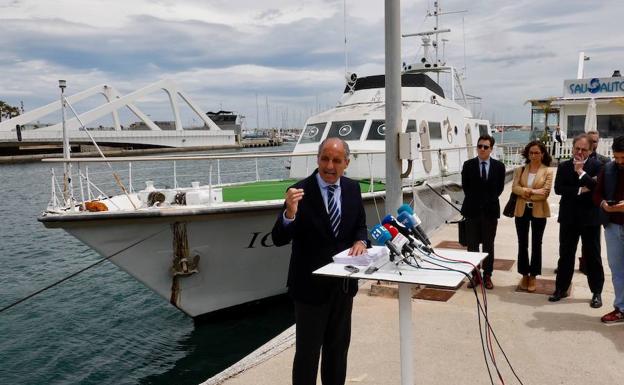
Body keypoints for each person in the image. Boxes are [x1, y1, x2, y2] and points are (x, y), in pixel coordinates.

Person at [272, 137, 367, 385]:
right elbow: (278, 238)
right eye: (325, 158)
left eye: (336, 160)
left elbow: (360, 226)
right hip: (309, 290)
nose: (329, 166)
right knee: (307, 356)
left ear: (346, 163)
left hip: (343, 288)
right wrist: (289, 214)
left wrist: (361, 242)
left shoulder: (352, 189)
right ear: (317, 159)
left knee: (337, 353)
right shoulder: (299, 192)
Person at [549, 134, 604, 308]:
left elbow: (597, 188)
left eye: (584, 149)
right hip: (569, 217)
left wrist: (581, 172)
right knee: (565, 254)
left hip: (590, 218)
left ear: (591, 150)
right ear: (572, 147)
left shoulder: (598, 166)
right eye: (577, 148)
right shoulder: (564, 166)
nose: (579, 152)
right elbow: (558, 189)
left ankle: (596, 292)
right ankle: (560, 289)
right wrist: (581, 190)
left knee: (593, 256)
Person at [461, 134, 506, 289]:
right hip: (472, 211)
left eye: (485, 147)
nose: (482, 149)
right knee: (472, 246)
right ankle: (475, 275)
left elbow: (499, 188)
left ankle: (487, 275)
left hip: (490, 211)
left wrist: (485, 202)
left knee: (488, 246)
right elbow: (466, 188)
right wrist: (478, 202)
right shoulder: (468, 165)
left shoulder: (499, 167)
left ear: (491, 149)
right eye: (479, 146)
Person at [512, 141, 553, 292]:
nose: (534, 155)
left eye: (536, 153)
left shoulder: (548, 171)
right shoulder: (520, 170)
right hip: (521, 210)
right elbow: (515, 188)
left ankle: (534, 275)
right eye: (531, 153)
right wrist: (532, 191)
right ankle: (524, 274)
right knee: (522, 243)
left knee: (537, 244)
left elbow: (545, 192)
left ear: (542, 154)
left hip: (539, 211)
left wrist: (526, 192)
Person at [593, 135, 624, 323]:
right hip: (612, 226)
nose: (620, 162)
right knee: (617, 270)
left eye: (623, 158)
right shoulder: (608, 169)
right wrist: (604, 204)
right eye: (617, 157)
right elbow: (597, 194)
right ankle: (620, 308)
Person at [577, 130, 610, 275]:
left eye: (595, 141)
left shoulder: (603, 161)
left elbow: (600, 186)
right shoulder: (574, 161)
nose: (593, 143)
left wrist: (591, 182)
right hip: (574, 210)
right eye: (590, 140)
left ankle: (589, 270)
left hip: (592, 210)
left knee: (593, 248)